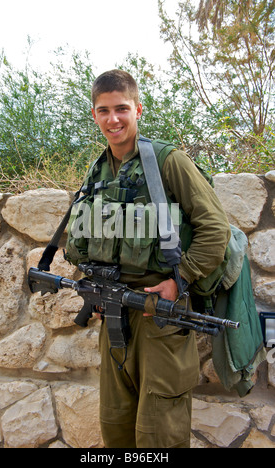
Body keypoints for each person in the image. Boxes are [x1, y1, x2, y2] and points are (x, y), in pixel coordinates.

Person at [66, 69, 231, 448]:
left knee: (160, 434)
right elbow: (85, 238)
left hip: (159, 316)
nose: (113, 119)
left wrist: (181, 279)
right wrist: (91, 289)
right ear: (94, 114)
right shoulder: (96, 171)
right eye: (104, 111)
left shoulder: (167, 162)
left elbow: (214, 229)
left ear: (138, 109)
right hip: (111, 316)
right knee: (116, 427)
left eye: (122, 108)